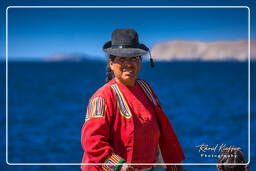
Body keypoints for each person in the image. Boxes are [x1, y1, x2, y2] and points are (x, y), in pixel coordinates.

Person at [81, 28, 185, 171]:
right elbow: (92, 141)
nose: (128, 64)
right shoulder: (102, 97)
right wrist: (118, 166)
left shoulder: (146, 89)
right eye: (122, 59)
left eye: (133, 58)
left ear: (140, 62)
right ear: (111, 64)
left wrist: (173, 162)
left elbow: (163, 128)